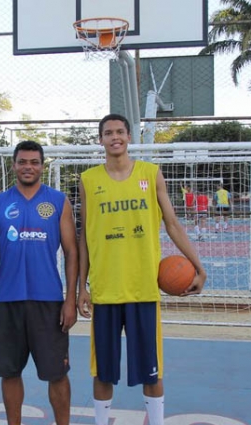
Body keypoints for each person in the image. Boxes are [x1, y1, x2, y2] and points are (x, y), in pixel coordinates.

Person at [77, 114, 206, 425]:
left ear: (129, 136)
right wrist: (82, 286)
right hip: (106, 290)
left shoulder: (151, 173)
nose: (114, 137)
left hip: (143, 288)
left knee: (152, 368)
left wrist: (198, 268)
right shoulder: (88, 180)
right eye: (108, 133)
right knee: (103, 371)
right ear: (101, 140)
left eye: (120, 131)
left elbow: (172, 224)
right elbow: (85, 236)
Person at [0, 140, 78, 425]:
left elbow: (71, 252)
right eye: (23, 161)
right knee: (10, 372)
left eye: (34, 162)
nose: (28, 167)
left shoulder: (58, 201)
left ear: (42, 166)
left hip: (49, 301)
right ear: (14, 165)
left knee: (57, 373)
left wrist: (70, 299)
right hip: (7, 300)